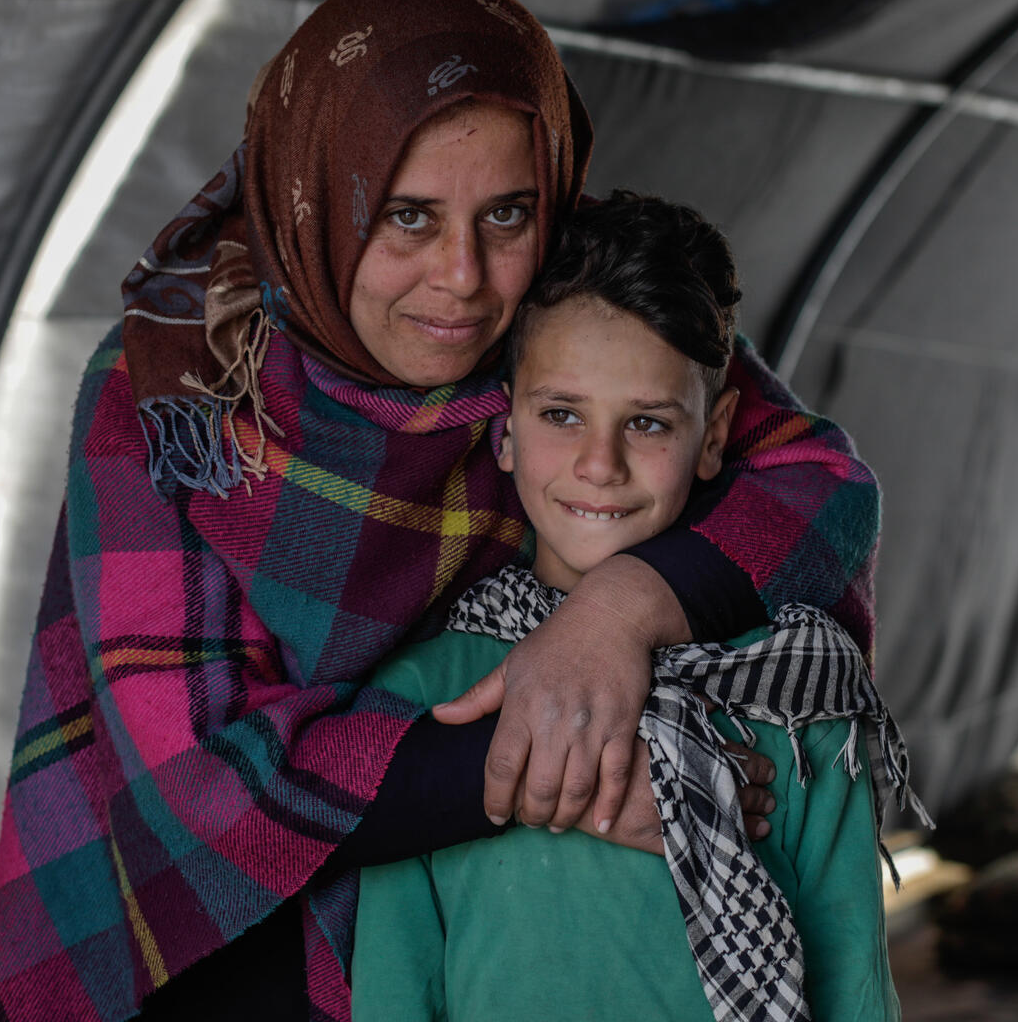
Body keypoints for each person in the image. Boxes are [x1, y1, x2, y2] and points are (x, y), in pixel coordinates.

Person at [0, 0, 881, 1022]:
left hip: (446, 927)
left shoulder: (561, 316)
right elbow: (201, 791)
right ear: (318, 194)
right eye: (405, 215)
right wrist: (560, 766)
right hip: (201, 958)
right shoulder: (176, 390)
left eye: (507, 213)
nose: (461, 276)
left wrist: (616, 615)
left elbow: (820, 486)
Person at [352, 191, 923, 1022]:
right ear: (504, 429)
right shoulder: (429, 694)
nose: (600, 465)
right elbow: (394, 990)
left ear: (714, 436)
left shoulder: (797, 704)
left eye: (648, 424)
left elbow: (855, 987)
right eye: (561, 414)